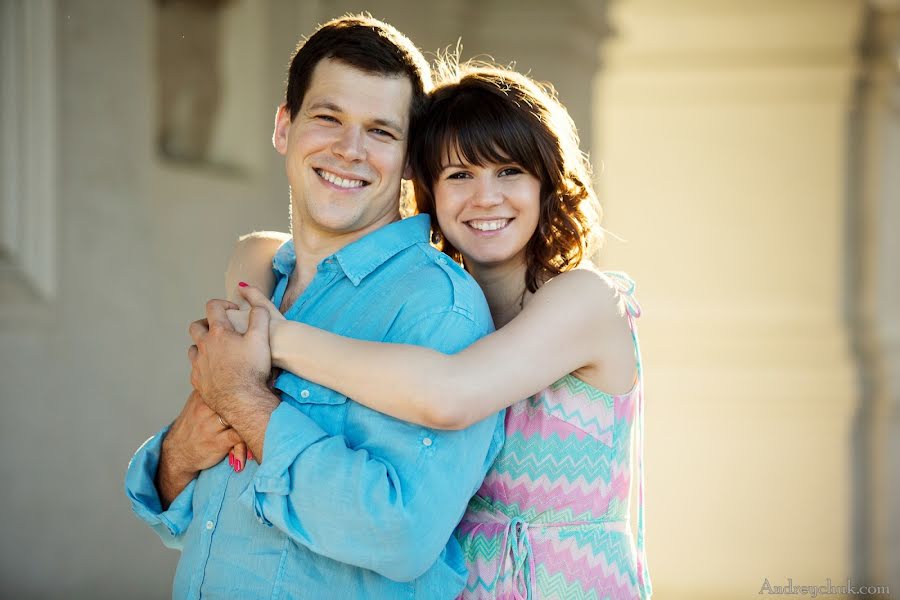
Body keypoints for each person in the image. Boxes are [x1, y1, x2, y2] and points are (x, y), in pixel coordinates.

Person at [219, 62, 652, 599]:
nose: (485, 197)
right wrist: (254, 267)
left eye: (510, 171)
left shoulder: (584, 301)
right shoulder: (437, 311)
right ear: (425, 189)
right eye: (459, 175)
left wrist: (274, 340)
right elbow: (260, 246)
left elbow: (449, 396)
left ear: (547, 182)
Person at [125, 15, 505, 599]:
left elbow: (401, 536)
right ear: (284, 127)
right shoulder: (261, 283)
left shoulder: (436, 309)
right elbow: (185, 513)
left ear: (409, 161)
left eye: (380, 131)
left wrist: (245, 405)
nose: (349, 150)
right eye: (328, 117)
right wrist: (177, 454)